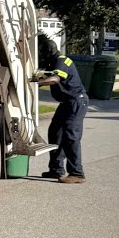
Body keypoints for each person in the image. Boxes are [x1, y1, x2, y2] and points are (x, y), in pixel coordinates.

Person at [36, 34, 88, 183]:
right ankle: (56, 170)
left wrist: (36, 84)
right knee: (55, 133)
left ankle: (77, 173)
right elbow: (44, 74)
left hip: (76, 101)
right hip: (66, 103)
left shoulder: (62, 61)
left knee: (71, 136)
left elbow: (54, 79)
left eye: (42, 52)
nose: (41, 55)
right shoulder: (52, 62)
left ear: (49, 51)